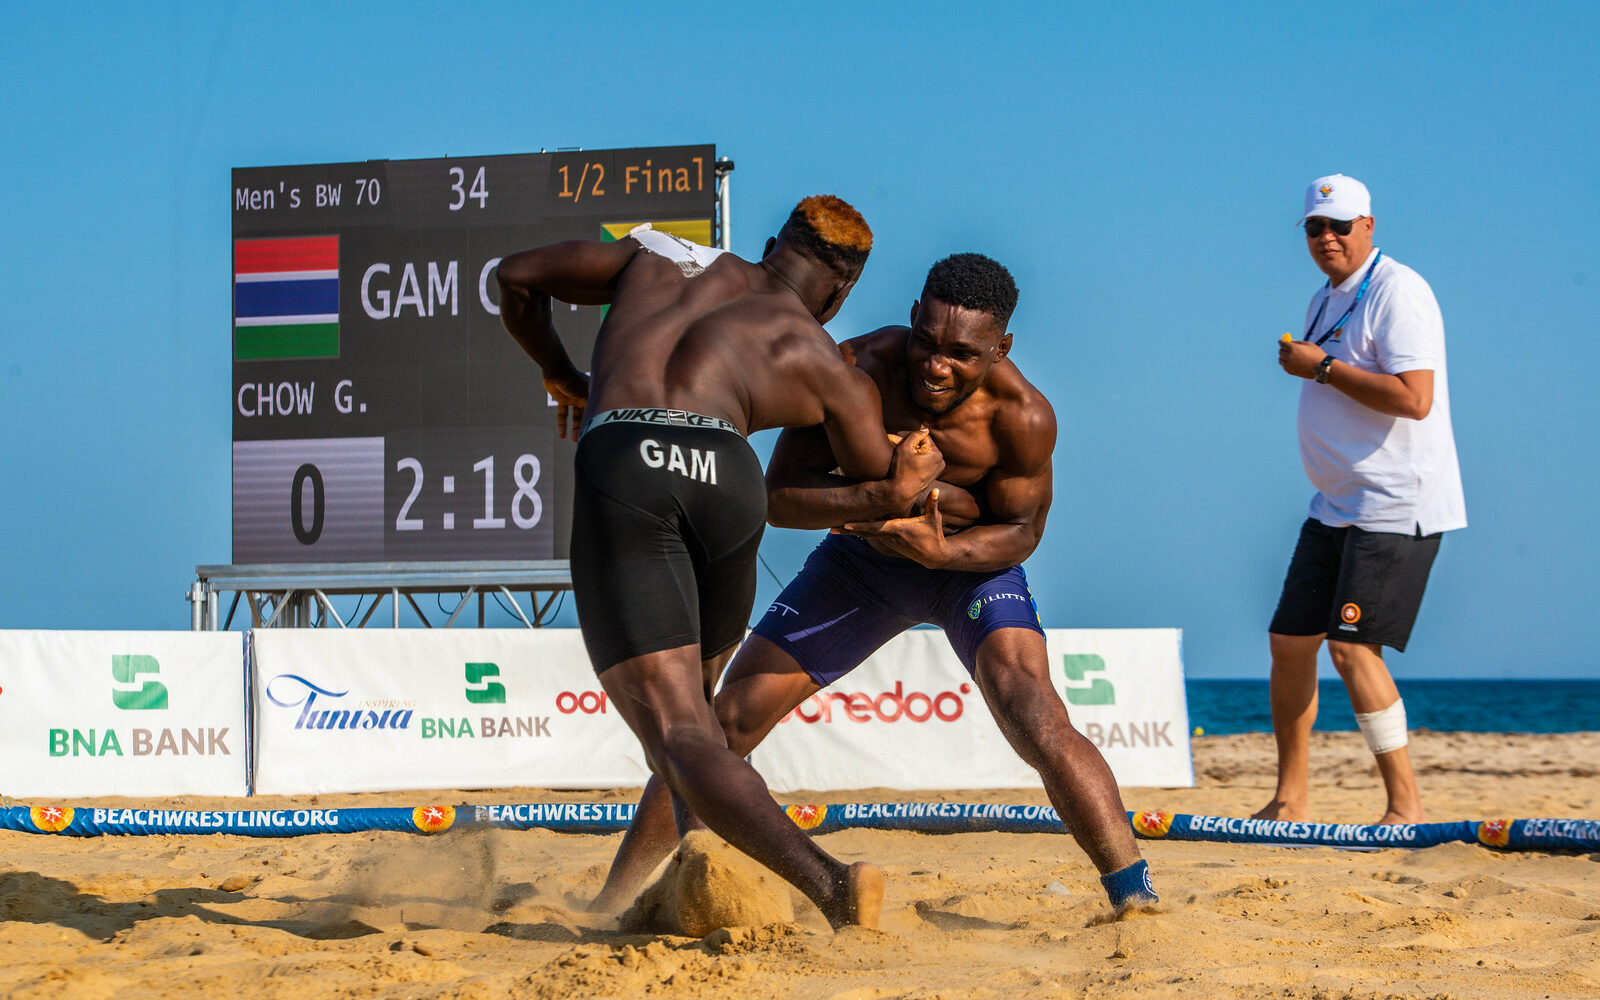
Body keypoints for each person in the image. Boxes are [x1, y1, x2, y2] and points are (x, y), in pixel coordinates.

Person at [591, 253, 1158, 915]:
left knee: (1031, 709)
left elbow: (1023, 530)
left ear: (1001, 348)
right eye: (926, 341)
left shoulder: (1024, 416)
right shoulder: (856, 367)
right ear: (912, 316)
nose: (936, 365)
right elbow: (781, 497)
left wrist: (940, 544)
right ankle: (615, 900)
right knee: (723, 724)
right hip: (862, 565)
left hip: (967, 568)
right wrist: (886, 496)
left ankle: (1135, 897)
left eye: (962, 354)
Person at [496, 196, 945, 929]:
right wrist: (898, 485)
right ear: (840, 292)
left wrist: (565, 374)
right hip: (731, 483)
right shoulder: (818, 355)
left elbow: (516, 277)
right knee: (697, 730)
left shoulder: (660, 254)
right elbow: (873, 484)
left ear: (771, 244)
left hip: (629, 462)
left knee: (680, 738)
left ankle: (830, 884)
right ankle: (675, 892)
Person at [1258, 175, 1466, 825]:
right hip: (1335, 503)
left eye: (1340, 226)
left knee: (1351, 649)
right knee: (1290, 643)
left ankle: (1405, 805)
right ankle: (1291, 798)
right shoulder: (1328, 294)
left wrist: (1320, 367)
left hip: (1395, 503)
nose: (1327, 238)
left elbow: (1415, 398)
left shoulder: (1399, 290)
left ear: (1369, 226)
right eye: (1315, 227)